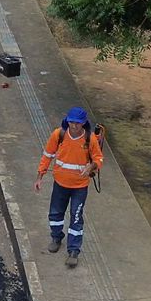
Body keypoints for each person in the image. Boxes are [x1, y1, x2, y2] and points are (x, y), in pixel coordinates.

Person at [35, 106, 104, 268]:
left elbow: (99, 158)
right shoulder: (58, 135)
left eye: (78, 123)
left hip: (80, 186)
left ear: (84, 123)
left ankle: (74, 250)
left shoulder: (90, 139)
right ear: (68, 121)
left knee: (76, 216)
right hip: (60, 184)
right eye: (72, 122)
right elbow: (47, 155)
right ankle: (56, 237)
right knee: (56, 213)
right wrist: (40, 176)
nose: (74, 126)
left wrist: (92, 166)